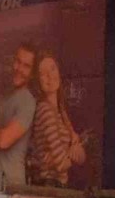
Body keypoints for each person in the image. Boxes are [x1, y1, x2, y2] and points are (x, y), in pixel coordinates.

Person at [27, 51, 86, 187]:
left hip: (58, 186)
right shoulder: (45, 111)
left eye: (53, 69)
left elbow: (81, 156)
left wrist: (74, 150)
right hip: (49, 186)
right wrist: (74, 150)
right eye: (43, 73)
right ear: (38, 81)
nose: (50, 76)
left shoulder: (60, 112)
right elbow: (61, 164)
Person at [0, 42, 38, 186]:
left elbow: (2, 141)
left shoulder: (27, 101)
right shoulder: (6, 97)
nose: (19, 69)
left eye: (26, 66)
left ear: (32, 74)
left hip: (12, 185)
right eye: (18, 61)